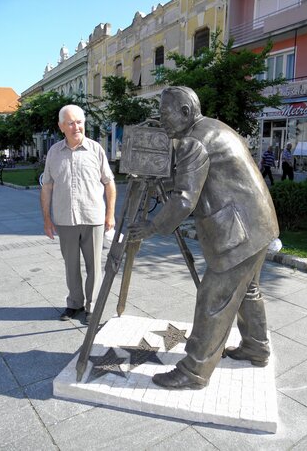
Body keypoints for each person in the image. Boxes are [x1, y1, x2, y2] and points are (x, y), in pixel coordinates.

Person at [128, 86, 279, 390]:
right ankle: (256, 346)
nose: (162, 120)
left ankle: (194, 371)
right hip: (259, 224)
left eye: (165, 114)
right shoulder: (213, 128)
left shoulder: (193, 141)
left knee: (213, 297)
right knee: (247, 290)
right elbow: (198, 175)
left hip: (240, 232)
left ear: (185, 112)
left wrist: (152, 227)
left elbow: (184, 199)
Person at [40, 105, 116, 325]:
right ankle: (74, 303)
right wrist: (46, 219)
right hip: (65, 220)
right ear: (61, 126)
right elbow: (47, 187)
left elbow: (109, 183)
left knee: (94, 266)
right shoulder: (53, 152)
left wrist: (110, 214)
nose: (77, 127)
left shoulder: (96, 150)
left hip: (93, 218)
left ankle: (92, 306)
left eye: (80, 122)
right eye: (71, 123)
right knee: (70, 265)